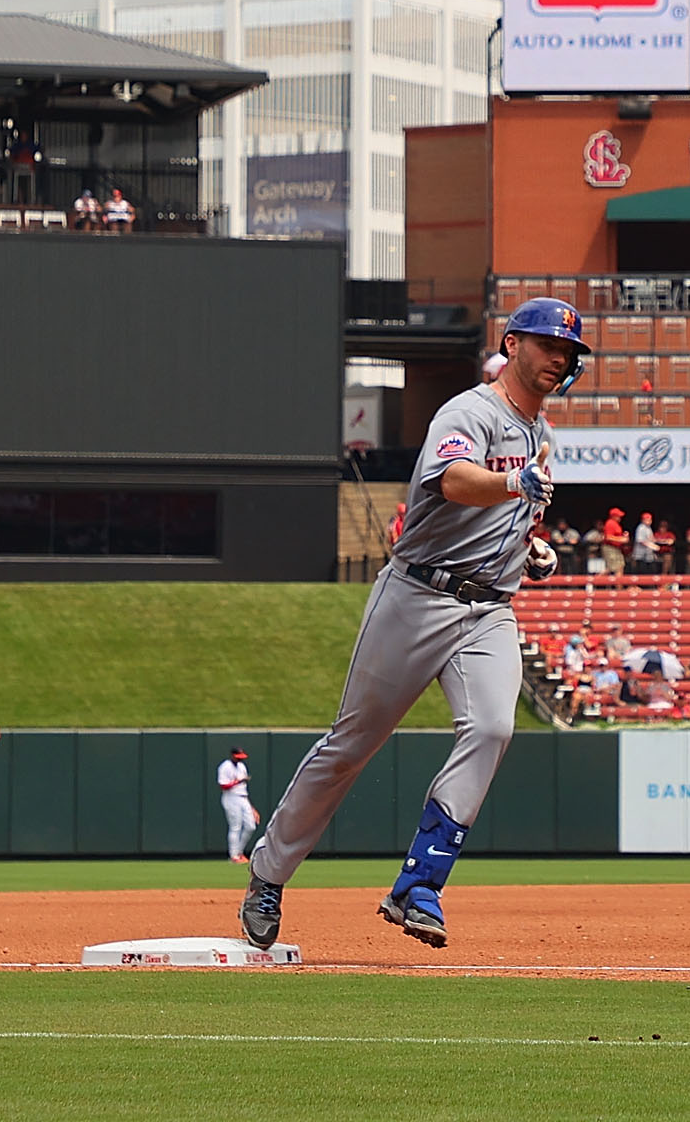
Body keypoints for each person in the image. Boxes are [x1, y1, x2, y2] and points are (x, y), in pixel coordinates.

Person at [239, 297, 569, 954]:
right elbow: (452, 480)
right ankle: (268, 874)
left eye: (568, 351)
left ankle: (420, 884)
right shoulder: (468, 411)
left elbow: (512, 507)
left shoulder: (542, 434)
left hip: (489, 609)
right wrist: (513, 491)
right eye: (547, 344)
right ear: (512, 345)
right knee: (351, 747)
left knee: (495, 726)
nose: (559, 358)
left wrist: (531, 546)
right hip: (417, 596)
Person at [217, 747, 263, 865]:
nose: (239, 759)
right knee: (235, 826)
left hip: (243, 797)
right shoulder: (225, 766)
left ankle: (239, 852)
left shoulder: (242, 767)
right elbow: (223, 785)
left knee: (251, 826)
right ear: (232, 755)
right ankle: (234, 856)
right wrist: (238, 781)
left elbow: (244, 788)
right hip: (231, 797)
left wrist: (252, 808)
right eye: (237, 757)